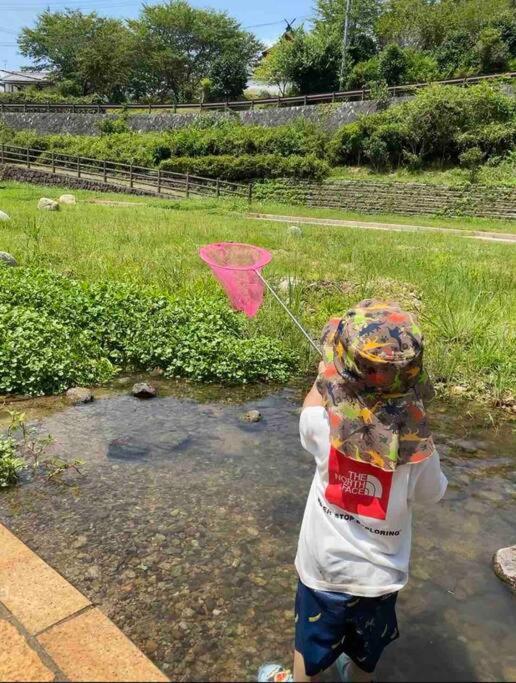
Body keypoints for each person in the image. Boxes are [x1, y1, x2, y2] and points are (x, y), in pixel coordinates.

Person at [258, 300, 447, 683]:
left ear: (340, 378)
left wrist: (323, 379)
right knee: (366, 652)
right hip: (381, 579)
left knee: (307, 648)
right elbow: (432, 495)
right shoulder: (420, 452)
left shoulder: (318, 425)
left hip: (323, 572)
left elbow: (314, 402)